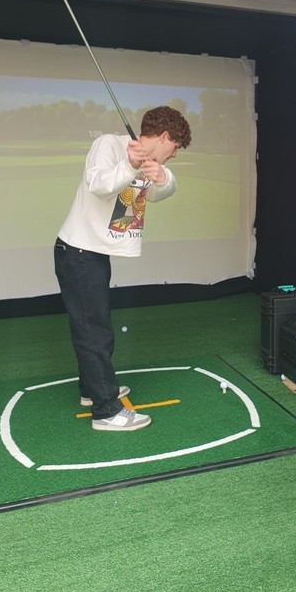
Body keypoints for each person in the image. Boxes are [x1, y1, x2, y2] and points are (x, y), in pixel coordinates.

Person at [54, 106, 192, 431]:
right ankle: (106, 411)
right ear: (164, 137)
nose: (173, 156)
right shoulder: (109, 144)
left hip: (95, 254)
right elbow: (98, 184)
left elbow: (159, 192)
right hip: (78, 252)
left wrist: (162, 176)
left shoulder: (151, 162)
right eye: (174, 148)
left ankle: (91, 390)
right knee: (94, 332)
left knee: (94, 327)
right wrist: (130, 164)